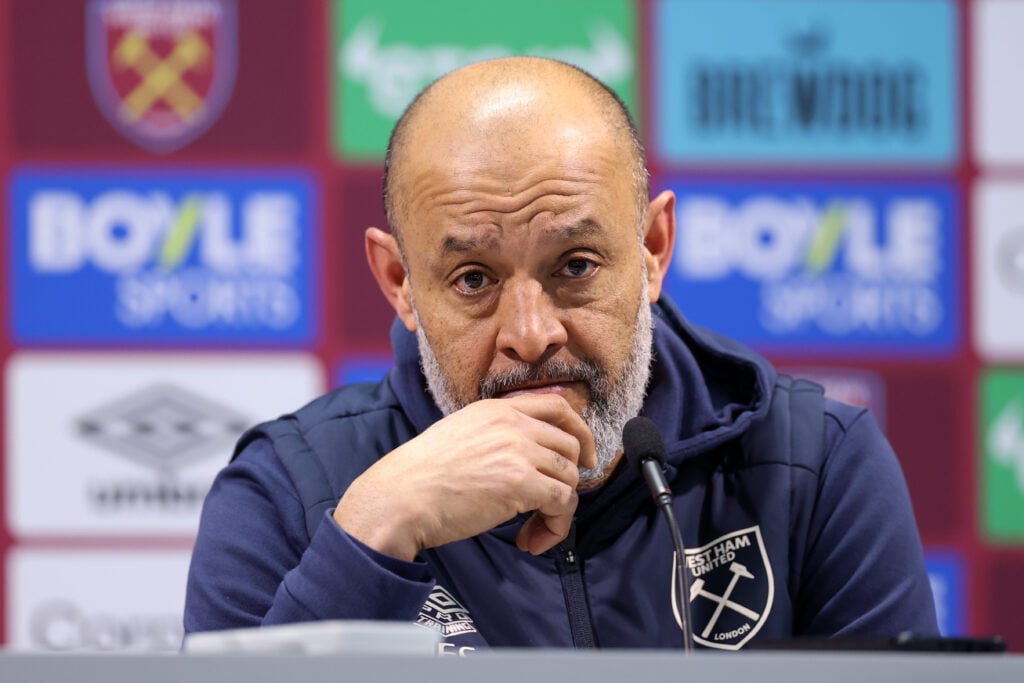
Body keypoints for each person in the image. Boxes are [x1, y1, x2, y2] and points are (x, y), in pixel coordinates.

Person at [183, 57, 938, 651]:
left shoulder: (815, 466)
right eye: (473, 279)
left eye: (574, 265)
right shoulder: (285, 495)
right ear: (399, 282)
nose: (531, 332)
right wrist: (373, 534)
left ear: (651, 248)